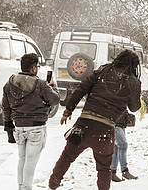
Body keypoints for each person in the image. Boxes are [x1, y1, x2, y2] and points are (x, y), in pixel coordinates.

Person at [48, 49, 141, 190]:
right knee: (104, 169)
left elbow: (81, 89)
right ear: (134, 65)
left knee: (66, 157)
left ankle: (52, 184)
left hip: (83, 126)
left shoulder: (103, 70)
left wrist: (68, 110)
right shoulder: (134, 83)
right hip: (106, 131)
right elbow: (134, 107)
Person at [2, 53, 60, 190]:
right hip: (36, 127)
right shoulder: (40, 84)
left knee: (22, 159)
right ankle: (26, 188)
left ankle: (21, 187)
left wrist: (9, 126)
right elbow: (55, 100)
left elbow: (5, 107)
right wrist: (52, 86)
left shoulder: (9, 83)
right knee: (31, 161)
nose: (38, 69)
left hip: (19, 128)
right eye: (37, 67)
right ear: (33, 68)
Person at [110, 110, 138, 182]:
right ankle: (124, 171)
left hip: (121, 125)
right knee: (123, 145)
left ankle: (112, 173)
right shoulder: (115, 99)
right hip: (115, 124)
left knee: (116, 147)